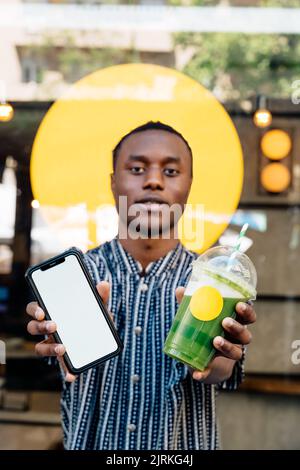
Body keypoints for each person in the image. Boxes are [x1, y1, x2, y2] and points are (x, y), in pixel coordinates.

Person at [26, 121, 256, 450]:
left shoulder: (216, 281)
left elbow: (219, 371)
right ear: (113, 182)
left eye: (171, 171)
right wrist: (55, 338)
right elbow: (59, 358)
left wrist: (218, 357)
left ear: (189, 185)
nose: (153, 180)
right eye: (136, 168)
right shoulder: (81, 274)